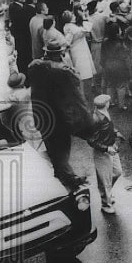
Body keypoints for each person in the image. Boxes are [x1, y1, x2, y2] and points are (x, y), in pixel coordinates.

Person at [26, 39, 94, 189]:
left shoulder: (35, 67)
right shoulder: (63, 71)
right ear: (60, 53)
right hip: (60, 119)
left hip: (42, 116)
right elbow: (76, 82)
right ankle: (71, 180)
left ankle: (61, 176)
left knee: (52, 149)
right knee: (62, 151)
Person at [87, 94, 124, 214]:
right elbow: (91, 140)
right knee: (105, 179)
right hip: (102, 153)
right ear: (106, 104)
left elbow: (110, 128)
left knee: (117, 172)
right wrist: (106, 148)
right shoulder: (96, 119)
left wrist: (117, 133)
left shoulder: (105, 113)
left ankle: (106, 192)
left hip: (111, 147)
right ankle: (105, 204)